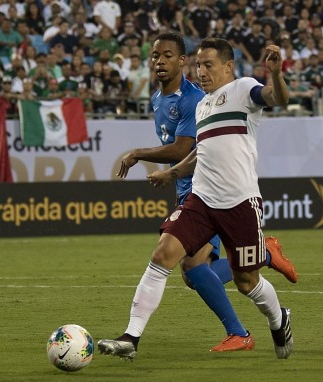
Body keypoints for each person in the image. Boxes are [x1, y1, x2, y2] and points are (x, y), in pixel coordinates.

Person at [98, 37, 296, 360]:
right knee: (163, 254)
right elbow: (200, 152)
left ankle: (278, 319)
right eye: (199, 65)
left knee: (247, 282)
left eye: (208, 65)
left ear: (228, 66)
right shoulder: (203, 106)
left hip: (240, 201)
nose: (201, 72)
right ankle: (131, 337)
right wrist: (173, 174)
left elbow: (277, 98)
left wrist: (275, 73)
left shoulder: (243, 89)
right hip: (201, 199)